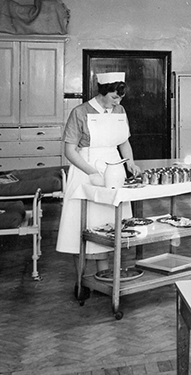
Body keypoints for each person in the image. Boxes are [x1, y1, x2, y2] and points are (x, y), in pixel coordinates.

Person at [56, 72, 140, 274]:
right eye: (113, 97)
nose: (117, 102)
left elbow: (123, 141)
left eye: (120, 98)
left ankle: (104, 275)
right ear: (102, 92)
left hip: (114, 169)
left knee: (109, 224)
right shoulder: (80, 112)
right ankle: (82, 279)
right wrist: (92, 172)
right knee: (85, 224)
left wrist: (131, 164)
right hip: (86, 170)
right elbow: (69, 150)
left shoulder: (119, 110)